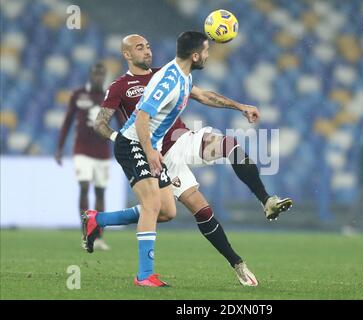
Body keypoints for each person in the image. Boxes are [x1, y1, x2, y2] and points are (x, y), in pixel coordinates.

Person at [85, 33, 292, 286]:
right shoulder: (134, 85)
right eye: (140, 48)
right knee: (153, 206)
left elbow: (204, 95)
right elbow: (127, 120)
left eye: (148, 46)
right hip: (142, 146)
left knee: (168, 212)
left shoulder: (175, 73)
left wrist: (240, 106)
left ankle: (98, 219)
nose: (147, 51)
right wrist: (143, 149)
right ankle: (145, 275)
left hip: (171, 145)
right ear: (127, 54)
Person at [55, 63, 122, 251]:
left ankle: (98, 236)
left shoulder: (109, 96)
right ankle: (85, 233)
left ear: (105, 76)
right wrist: (59, 147)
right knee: (84, 186)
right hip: (82, 150)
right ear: (90, 75)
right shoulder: (78, 95)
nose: (98, 78)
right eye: (95, 74)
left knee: (100, 192)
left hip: (102, 152)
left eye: (101, 74)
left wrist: (125, 141)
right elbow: (68, 121)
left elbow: (120, 121)